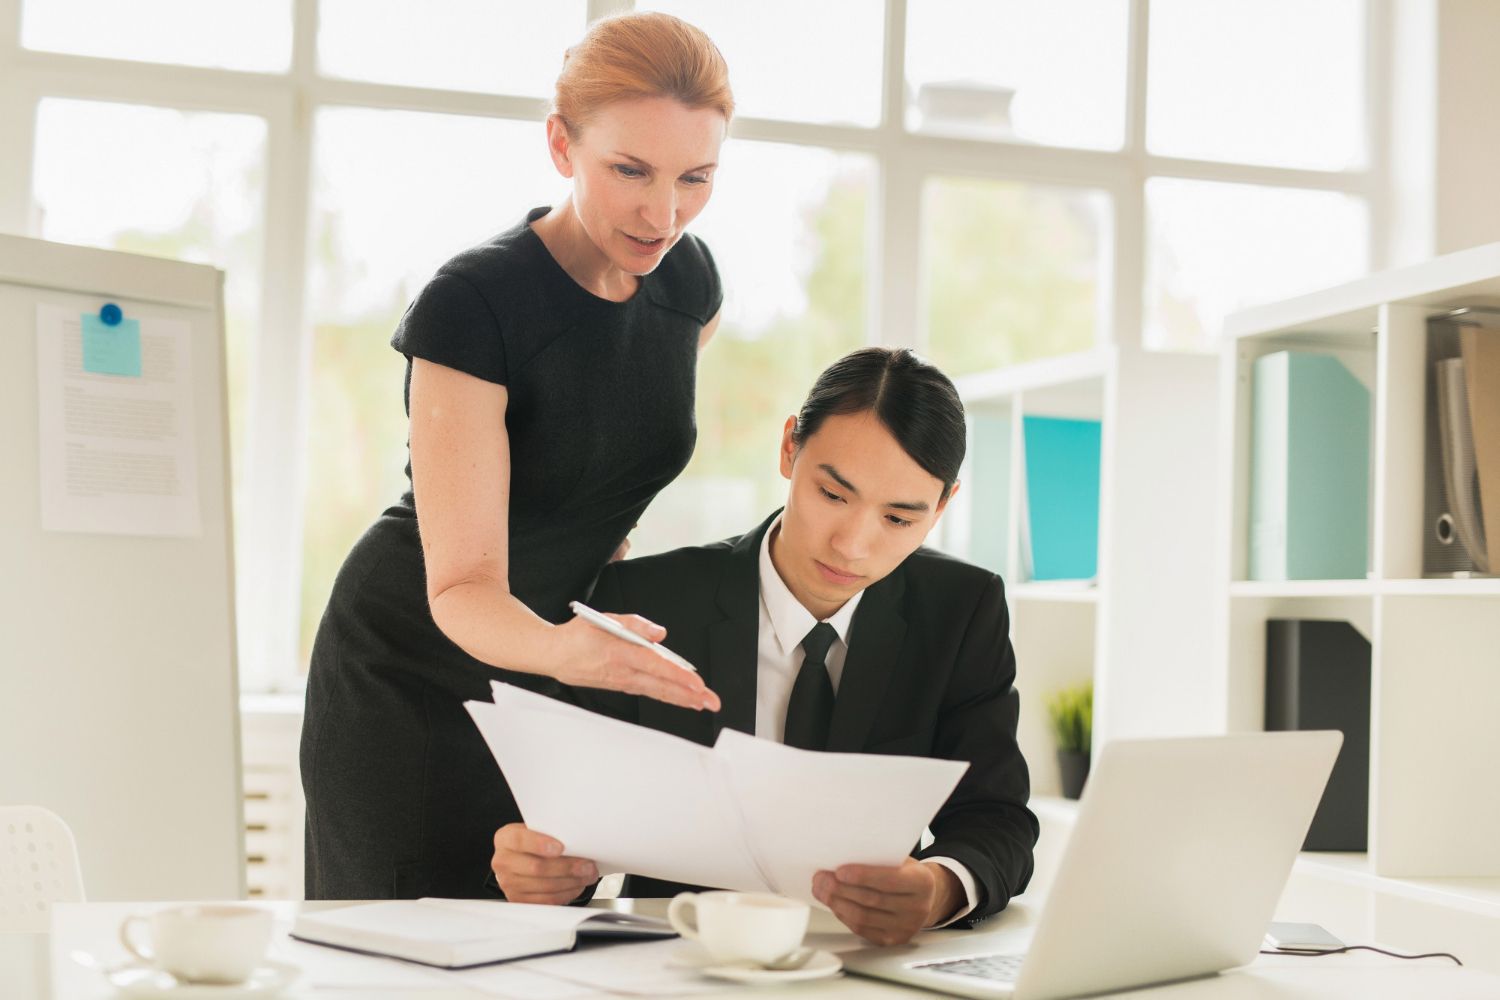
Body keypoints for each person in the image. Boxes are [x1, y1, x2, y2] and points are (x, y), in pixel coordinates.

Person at [300, 12, 735, 900]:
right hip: (414, 667)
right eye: (630, 171)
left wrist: (602, 628)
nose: (664, 213)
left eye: (696, 177)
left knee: (540, 945)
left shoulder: (689, 284)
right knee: (408, 952)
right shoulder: (474, 303)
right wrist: (582, 656)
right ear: (560, 145)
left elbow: (608, 465)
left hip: (548, 672)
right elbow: (461, 587)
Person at [491, 347, 1038, 945]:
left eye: (898, 520)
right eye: (833, 495)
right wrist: (546, 870)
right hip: (676, 959)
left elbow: (996, 819)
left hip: (867, 967)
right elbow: (569, 822)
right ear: (788, 449)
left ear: (942, 507)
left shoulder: (961, 610)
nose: (853, 545)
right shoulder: (643, 598)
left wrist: (938, 888)